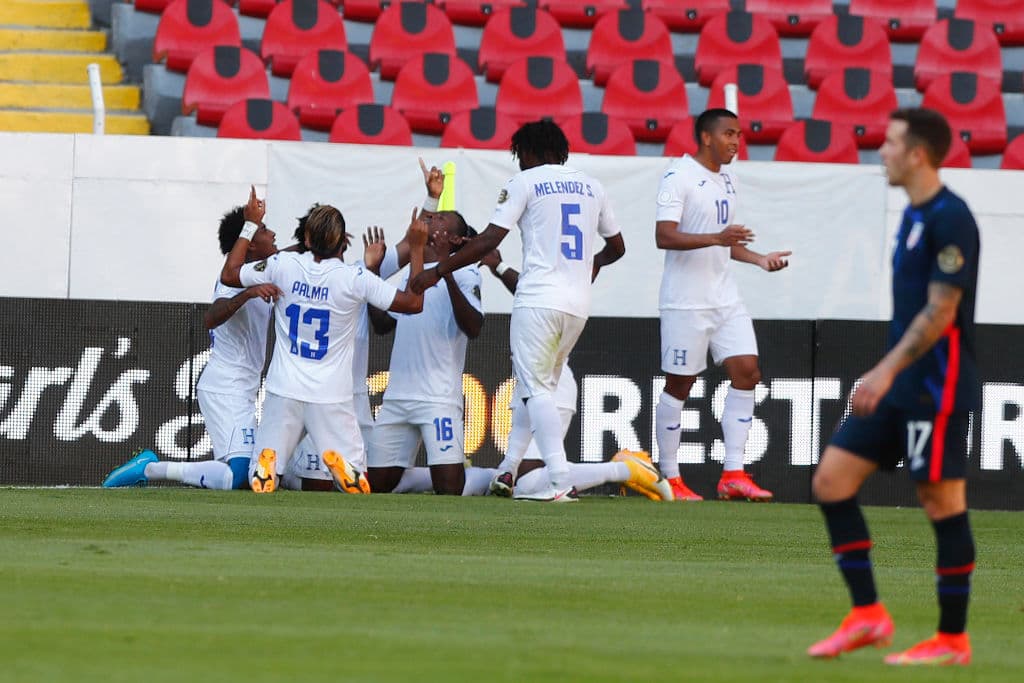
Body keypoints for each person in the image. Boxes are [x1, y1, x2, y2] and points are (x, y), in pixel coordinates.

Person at [807, 108, 979, 666]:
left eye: (890, 142)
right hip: (901, 381)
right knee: (832, 481)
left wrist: (884, 370)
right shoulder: (912, 217)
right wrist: (886, 371)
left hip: (937, 385)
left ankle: (952, 640)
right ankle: (867, 616)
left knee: (941, 501)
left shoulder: (952, 218)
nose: (880, 150)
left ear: (917, 154)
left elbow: (942, 310)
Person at [411, 119, 626, 502]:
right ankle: (510, 468)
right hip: (577, 305)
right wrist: (588, 268)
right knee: (534, 386)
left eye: (518, 156)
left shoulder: (525, 182)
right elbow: (617, 248)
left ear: (527, 153)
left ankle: (559, 477)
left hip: (539, 300)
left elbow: (491, 238)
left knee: (537, 389)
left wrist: (438, 271)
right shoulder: (594, 186)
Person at [221, 203, 427, 494]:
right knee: (357, 483)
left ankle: (267, 467)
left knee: (264, 471)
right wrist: (418, 248)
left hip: (284, 388)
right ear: (343, 242)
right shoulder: (355, 279)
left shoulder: (283, 265)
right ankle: (348, 469)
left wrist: (250, 224)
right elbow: (413, 304)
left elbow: (230, 274)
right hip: (331, 395)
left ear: (306, 239)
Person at [653, 108, 791, 502]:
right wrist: (716, 238)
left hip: (724, 296)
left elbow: (725, 241)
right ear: (706, 137)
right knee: (680, 385)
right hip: (686, 301)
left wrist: (760, 259)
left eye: (739, 135)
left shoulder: (728, 179)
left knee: (748, 371)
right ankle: (671, 478)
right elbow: (664, 236)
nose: (735, 141)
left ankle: (733, 473)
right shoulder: (677, 176)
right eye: (729, 134)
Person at [102, 188, 280, 490]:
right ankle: (151, 468)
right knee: (241, 476)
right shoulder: (239, 279)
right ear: (248, 244)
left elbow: (297, 255)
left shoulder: (260, 270)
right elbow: (211, 317)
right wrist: (249, 293)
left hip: (241, 387)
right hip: (227, 386)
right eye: (264, 230)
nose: (273, 233)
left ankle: (153, 467)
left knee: (250, 475)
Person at [478, 250, 671, 502]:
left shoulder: (559, 272)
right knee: (518, 477)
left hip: (551, 384)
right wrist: (499, 267)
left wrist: (500, 266)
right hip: (540, 380)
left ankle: (625, 469)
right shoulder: (560, 271)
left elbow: (530, 289)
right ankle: (508, 470)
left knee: (527, 481)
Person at [365, 211, 483, 496]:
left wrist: (448, 275)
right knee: (375, 486)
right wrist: (371, 273)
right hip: (397, 398)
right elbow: (382, 325)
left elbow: (474, 327)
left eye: (441, 219)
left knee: (450, 489)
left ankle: (484, 477)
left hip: (438, 399)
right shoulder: (411, 272)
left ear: (454, 238)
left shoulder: (468, 273)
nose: (431, 219)